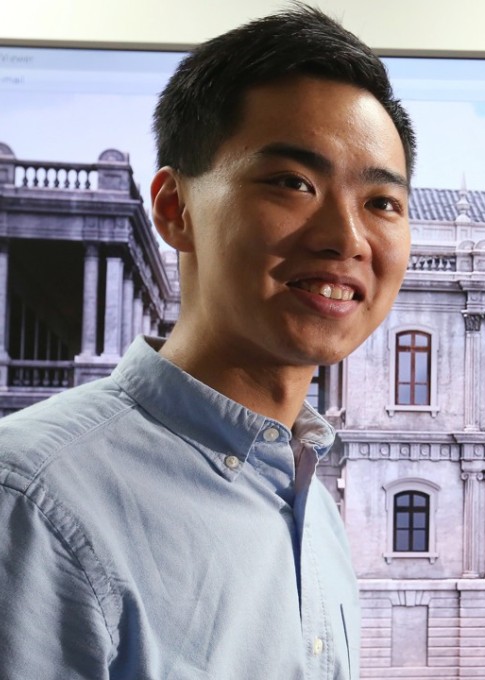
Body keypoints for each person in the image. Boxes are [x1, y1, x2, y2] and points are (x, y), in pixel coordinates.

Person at [0, 5, 415, 679]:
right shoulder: (33, 505)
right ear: (174, 208)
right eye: (292, 183)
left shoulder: (312, 507)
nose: (346, 237)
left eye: (381, 202)